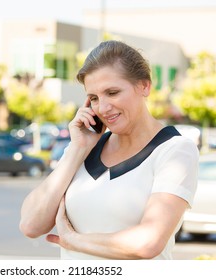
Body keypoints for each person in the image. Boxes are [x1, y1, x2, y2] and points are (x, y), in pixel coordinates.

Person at [19, 40, 199, 260]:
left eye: (112, 93)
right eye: (94, 98)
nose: (102, 108)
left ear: (144, 86)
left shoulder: (175, 151)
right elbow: (30, 224)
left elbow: (149, 242)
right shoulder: (84, 148)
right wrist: (78, 149)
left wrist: (73, 240)